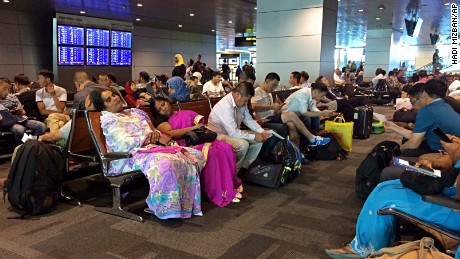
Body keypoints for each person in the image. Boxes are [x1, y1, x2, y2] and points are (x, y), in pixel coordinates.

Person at [326, 136, 460, 258]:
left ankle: (367, 250)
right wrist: (438, 163)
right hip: (447, 188)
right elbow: (453, 165)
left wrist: (457, 153)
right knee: (385, 187)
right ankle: (372, 244)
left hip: (454, 208)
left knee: (386, 199)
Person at [89, 88, 203, 219]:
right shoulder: (110, 120)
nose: (115, 98)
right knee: (165, 163)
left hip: (151, 149)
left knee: (194, 155)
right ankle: (164, 207)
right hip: (129, 156)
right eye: (109, 99)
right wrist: (149, 138)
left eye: (114, 95)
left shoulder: (136, 113)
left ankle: (184, 202)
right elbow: (123, 143)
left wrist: (157, 136)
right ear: (104, 107)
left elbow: (154, 130)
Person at [151, 97, 243, 206]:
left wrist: (198, 128)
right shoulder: (162, 122)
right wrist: (191, 128)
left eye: (163, 104)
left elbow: (201, 124)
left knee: (225, 148)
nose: (163, 109)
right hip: (185, 145)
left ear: (167, 102)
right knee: (211, 153)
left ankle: (229, 187)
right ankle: (220, 192)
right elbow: (171, 134)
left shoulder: (185, 112)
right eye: (159, 109)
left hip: (200, 139)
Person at [252, 73, 330, 147]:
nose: (274, 88)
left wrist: (276, 109)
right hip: (264, 120)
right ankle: (312, 139)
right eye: (273, 85)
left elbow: (270, 109)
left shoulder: (268, 93)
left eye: (276, 86)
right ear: (267, 81)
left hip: (272, 116)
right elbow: (253, 106)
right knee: (292, 115)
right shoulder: (257, 91)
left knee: (291, 125)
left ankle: (295, 151)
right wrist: (271, 107)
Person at [384, 79, 460, 156]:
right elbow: (416, 136)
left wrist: (397, 150)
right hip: (454, 150)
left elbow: (413, 145)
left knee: (405, 152)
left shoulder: (427, 111)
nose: (413, 107)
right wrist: (392, 126)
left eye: (413, 102)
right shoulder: (445, 106)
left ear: (424, 93)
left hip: (447, 154)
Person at [207, 81, 271, 171]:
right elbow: (233, 133)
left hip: (231, 133)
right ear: (238, 95)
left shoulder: (241, 103)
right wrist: (254, 137)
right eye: (246, 100)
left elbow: (248, 120)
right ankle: (232, 172)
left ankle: (244, 169)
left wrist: (262, 132)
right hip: (217, 135)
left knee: (259, 141)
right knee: (242, 144)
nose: (247, 103)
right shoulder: (225, 106)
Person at [0, 77, 46, 143]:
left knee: (41, 125)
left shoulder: (12, 97)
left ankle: (37, 145)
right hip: (8, 123)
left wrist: (19, 111)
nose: (7, 92)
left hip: (20, 119)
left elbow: (24, 112)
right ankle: (27, 147)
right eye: (4, 89)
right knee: (20, 130)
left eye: (8, 89)